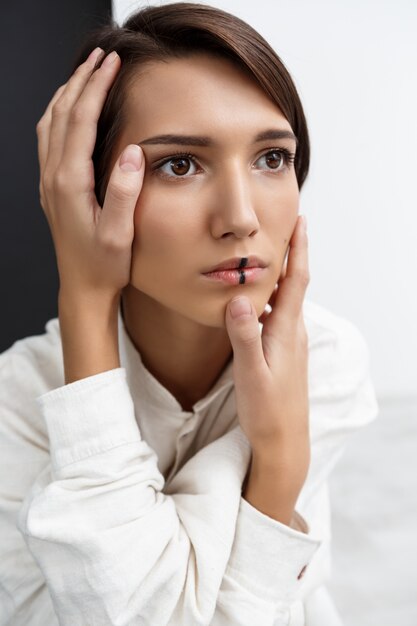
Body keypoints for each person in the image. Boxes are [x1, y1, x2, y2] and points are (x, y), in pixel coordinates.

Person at [0, 3, 379, 625]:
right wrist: (85, 300)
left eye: (271, 158)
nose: (241, 217)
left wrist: (279, 455)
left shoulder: (325, 358)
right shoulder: (21, 400)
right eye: (180, 164)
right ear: (87, 192)